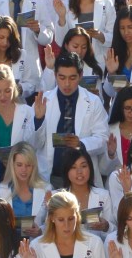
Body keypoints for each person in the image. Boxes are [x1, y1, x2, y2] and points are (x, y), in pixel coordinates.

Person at [33, 52, 109, 181]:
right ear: (55, 76)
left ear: (80, 76)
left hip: (82, 178)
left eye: (72, 78)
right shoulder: (43, 101)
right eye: (62, 77)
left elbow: (103, 139)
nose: (67, 84)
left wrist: (81, 144)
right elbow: (33, 144)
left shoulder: (94, 102)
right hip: (51, 176)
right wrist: (38, 120)